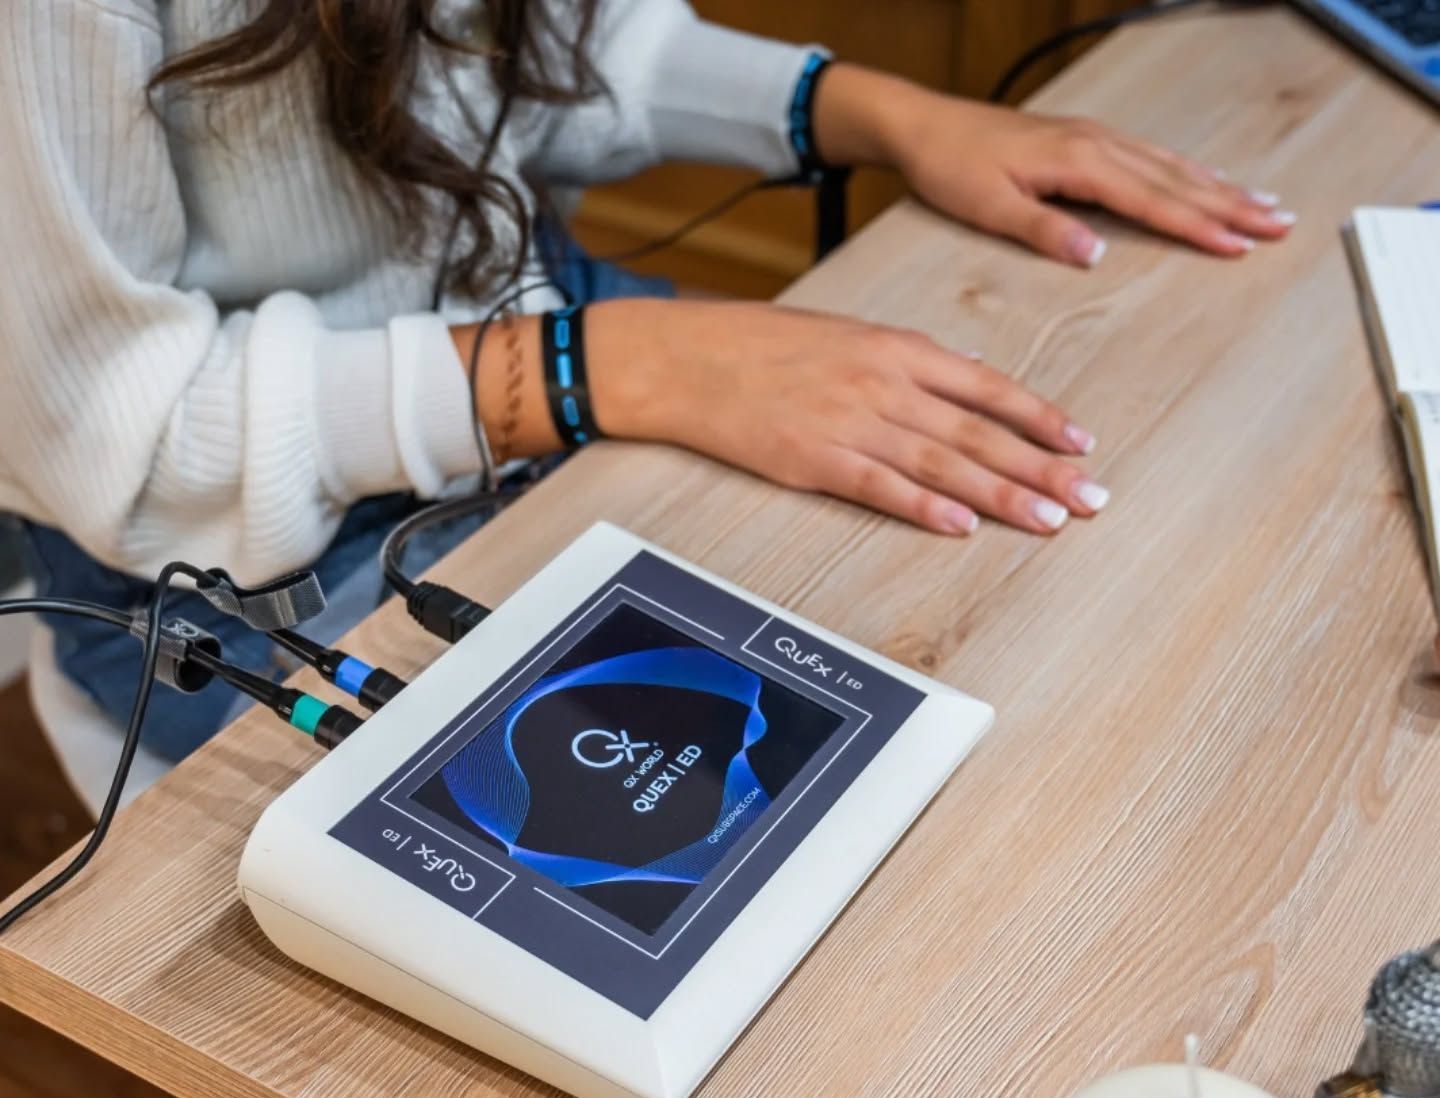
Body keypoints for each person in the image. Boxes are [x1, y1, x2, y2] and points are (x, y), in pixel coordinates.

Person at [0, 0, 1294, 770]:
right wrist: (606, 367)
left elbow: (560, 41)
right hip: (227, 561)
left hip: (537, 339)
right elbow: (131, 438)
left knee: (1011, 649)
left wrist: (876, 113)